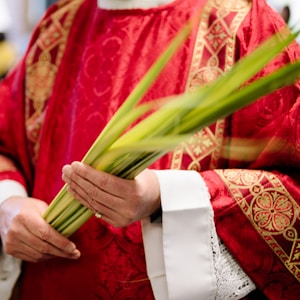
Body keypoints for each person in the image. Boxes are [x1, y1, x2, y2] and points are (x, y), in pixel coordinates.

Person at [0, 0, 299, 299]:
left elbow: (292, 189)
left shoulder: (244, 23)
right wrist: (9, 205)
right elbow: (6, 144)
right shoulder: (59, 26)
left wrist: (163, 196)